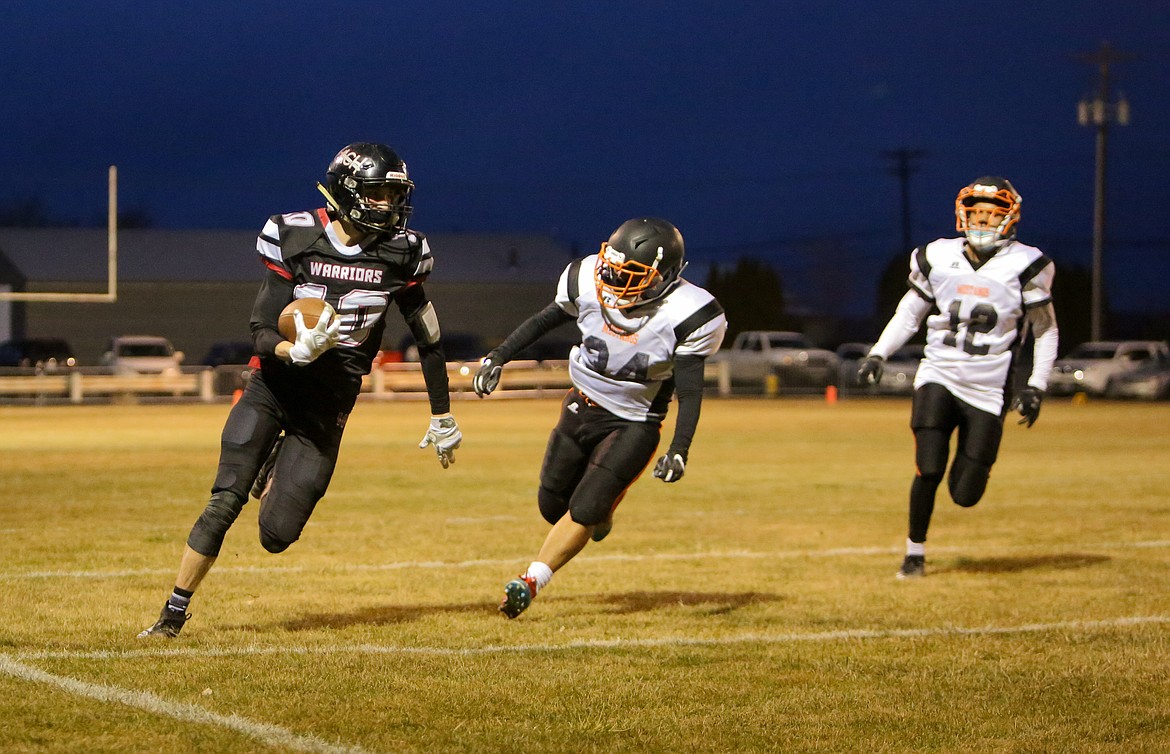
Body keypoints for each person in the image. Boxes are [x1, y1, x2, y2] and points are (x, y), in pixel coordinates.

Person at [138, 142, 463, 637]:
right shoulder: (296, 236)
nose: (390, 206)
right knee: (224, 501)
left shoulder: (404, 253)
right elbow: (261, 329)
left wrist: (441, 414)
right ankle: (172, 614)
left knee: (276, 536)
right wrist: (293, 351)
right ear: (348, 193)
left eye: (395, 195)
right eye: (379, 194)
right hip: (274, 385)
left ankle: (276, 463)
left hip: (327, 406)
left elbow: (430, 339)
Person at [473, 217, 727, 618]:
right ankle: (601, 515)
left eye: (634, 275)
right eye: (616, 268)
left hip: (633, 421)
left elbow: (691, 389)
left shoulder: (690, 313)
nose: (616, 280)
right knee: (551, 504)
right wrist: (499, 355)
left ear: (666, 278)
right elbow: (546, 319)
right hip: (581, 403)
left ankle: (532, 580)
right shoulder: (587, 277)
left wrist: (680, 448)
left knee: (585, 508)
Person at [858, 176, 1059, 579]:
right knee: (927, 467)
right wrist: (878, 352)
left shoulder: (1027, 264)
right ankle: (914, 554)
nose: (983, 221)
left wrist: (1036, 384)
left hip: (989, 387)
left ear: (1009, 218)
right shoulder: (936, 255)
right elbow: (909, 313)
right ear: (962, 214)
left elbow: (1045, 329)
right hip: (939, 373)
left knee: (964, 494)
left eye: (992, 214)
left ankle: (971, 469)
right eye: (977, 213)